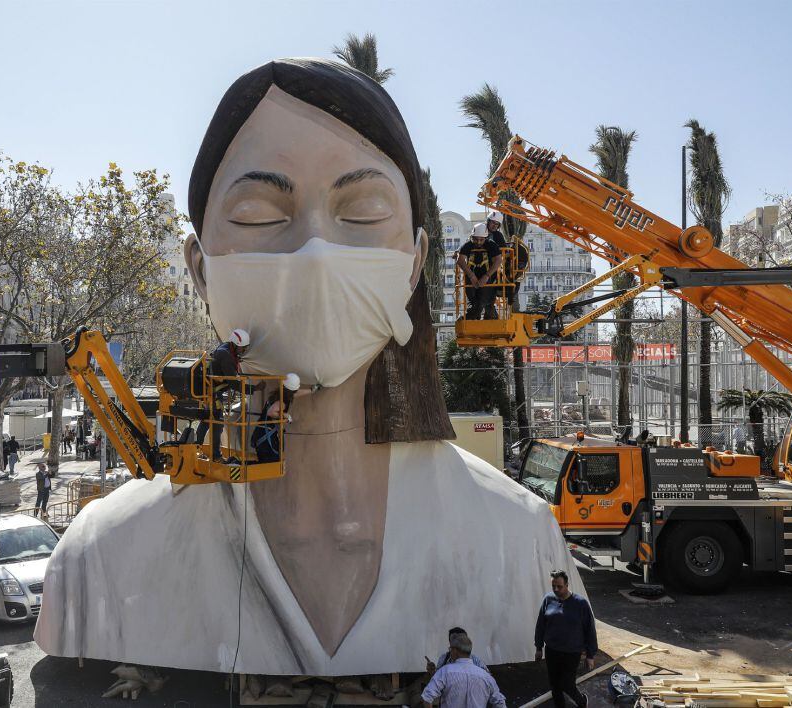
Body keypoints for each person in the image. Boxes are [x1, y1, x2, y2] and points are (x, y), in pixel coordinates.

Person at [36, 57, 580, 677]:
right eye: (260, 217)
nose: (316, 252)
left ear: (414, 262)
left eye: (363, 212)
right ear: (200, 270)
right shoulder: (99, 561)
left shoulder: (520, 540)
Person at [534, 570, 598, 708]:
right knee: (555, 685)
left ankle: (582, 702)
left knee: (567, 684)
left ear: (567, 584)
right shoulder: (548, 599)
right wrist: (539, 647)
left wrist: (590, 655)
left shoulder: (580, 604)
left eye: (559, 586)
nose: (556, 590)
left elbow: (590, 630)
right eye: (553, 586)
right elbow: (540, 625)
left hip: (571, 652)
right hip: (552, 651)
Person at [195, 328, 249, 463]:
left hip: (208, 391)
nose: (243, 351)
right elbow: (233, 383)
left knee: (206, 420)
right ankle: (216, 456)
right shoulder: (225, 354)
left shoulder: (225, 348)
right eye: (242, 348)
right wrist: (253, 389)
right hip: (212, 393)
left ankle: (196, 448)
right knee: (217, 424)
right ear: (235, 344)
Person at [421, 632, 506, 708]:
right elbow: (500, 702)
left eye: (450, 649)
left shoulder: (445, 672)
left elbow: (427, 696)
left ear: (455, 651)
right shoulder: (486, 676)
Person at [252, 373, 300, 463]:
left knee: (271, 460)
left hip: (262, 434)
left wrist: (312, 390)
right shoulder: (282, 401)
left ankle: (235, 463)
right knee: (272, 461)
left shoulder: (279, 394)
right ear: (293, 390)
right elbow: (271, 412)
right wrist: (285, 416)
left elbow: (296, 394)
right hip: (265, 437)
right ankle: (235, 463)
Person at [457, 223, 494, 321]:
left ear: (486, 238)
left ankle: (467, 319)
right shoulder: (468, 245)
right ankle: (473, 319)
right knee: (473, 302)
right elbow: (460, 260)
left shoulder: (491, 244)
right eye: (476, 239)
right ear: (472, 237)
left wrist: (486, 276)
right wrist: (471, 276)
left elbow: (498, 260)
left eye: (481, 240)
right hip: (470, 280)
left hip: (487, 279)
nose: (478, 242)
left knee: (483, 302)